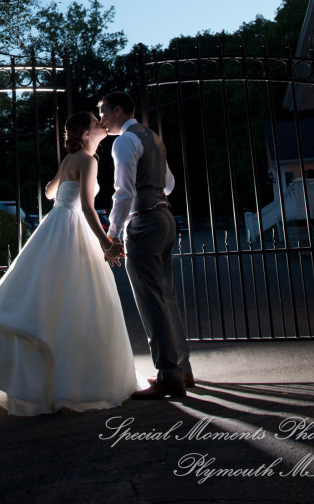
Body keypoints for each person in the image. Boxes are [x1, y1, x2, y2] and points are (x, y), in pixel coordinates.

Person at [0, 111, 144, 416]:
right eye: (94, 123)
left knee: (45, 301)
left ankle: (40, 383)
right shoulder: (88, 161)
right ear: (86, 134)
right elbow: (88, 208)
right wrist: (106, 243)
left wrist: (61, 180)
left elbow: (50, 192)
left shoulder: (70, 159)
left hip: (55, 225)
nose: (101, 125)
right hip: (73, 229)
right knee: (78, 305)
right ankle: (76, 384)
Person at [98, 90, 193, 399]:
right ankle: (183, 367)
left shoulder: (124, 141)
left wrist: (113, 235)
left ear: (117, 110)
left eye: (104, 112)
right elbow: (169, 183)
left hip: (144, 221)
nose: (102, 119)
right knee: (168, 296)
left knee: (150, 299)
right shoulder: (153, 137)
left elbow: (122, 192)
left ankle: (168, 375)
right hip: (165, 217)